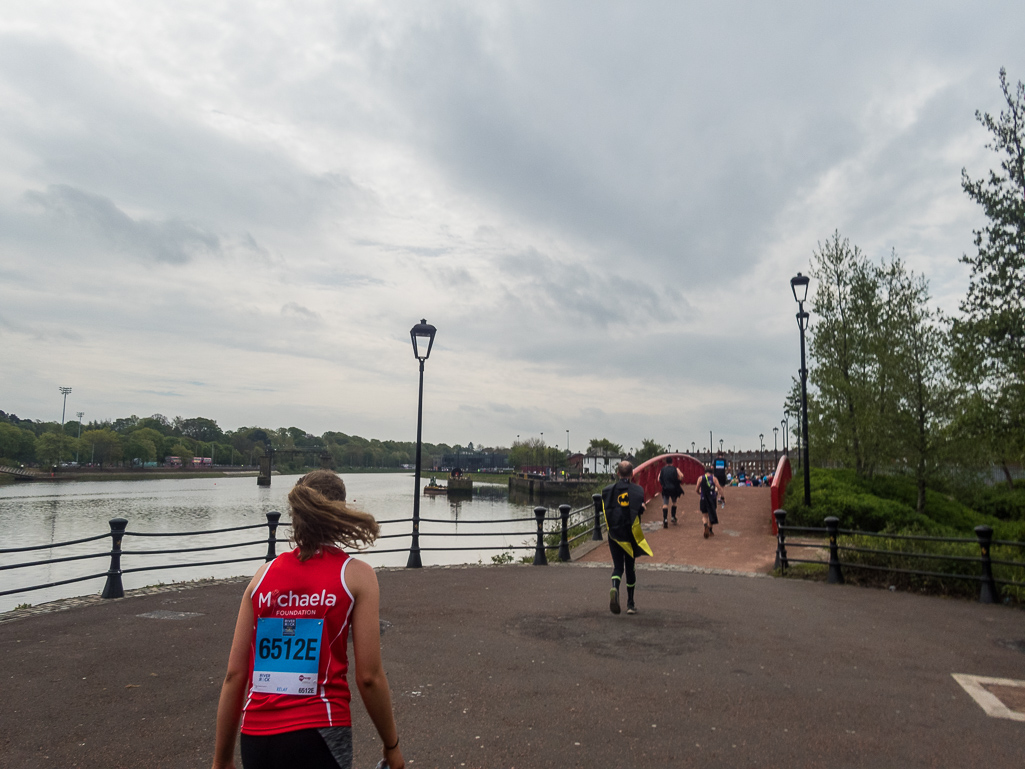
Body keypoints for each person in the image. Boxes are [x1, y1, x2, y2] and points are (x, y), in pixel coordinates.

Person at [211, 470, 405, 769]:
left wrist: (222, 759)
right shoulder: (355, 575)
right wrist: (391, 745)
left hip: (256, 735)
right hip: (320, 729)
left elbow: (234, 676)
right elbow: (369, 677)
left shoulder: (261, 579)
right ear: (339, 511)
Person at [601, 461, 652, 615]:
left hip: (614, 534)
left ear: (618, 473)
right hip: (630, 535)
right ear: (631, 474)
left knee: (618, 567)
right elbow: (638, 509)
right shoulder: (638, 490)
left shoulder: (608, 491)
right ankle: (630, 604)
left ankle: (615, 587)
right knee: (630, 567)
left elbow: (606, 508)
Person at [696, 464, 726, 539]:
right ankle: (710, 530)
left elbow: (697, 488)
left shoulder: (700, 478)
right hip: (712, 498)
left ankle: (705, 525)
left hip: (703, 498)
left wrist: (699, 492)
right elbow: (719, 488)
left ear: (705, 472)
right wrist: (722, 497)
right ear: (712, 472)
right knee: (711, 514)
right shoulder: (714, 479)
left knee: (705, 515)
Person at [657, 456, 686, 527]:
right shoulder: (675, 469)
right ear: (672, 462)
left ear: (666, 462)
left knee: (665, 503)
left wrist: (664, 482)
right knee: (674, 502)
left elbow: (658, 479)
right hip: (674, 489)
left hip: (665, 488)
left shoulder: (662, 469)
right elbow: (682, 476)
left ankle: (665, 519)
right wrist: (677, 480)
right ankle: (673, 517)